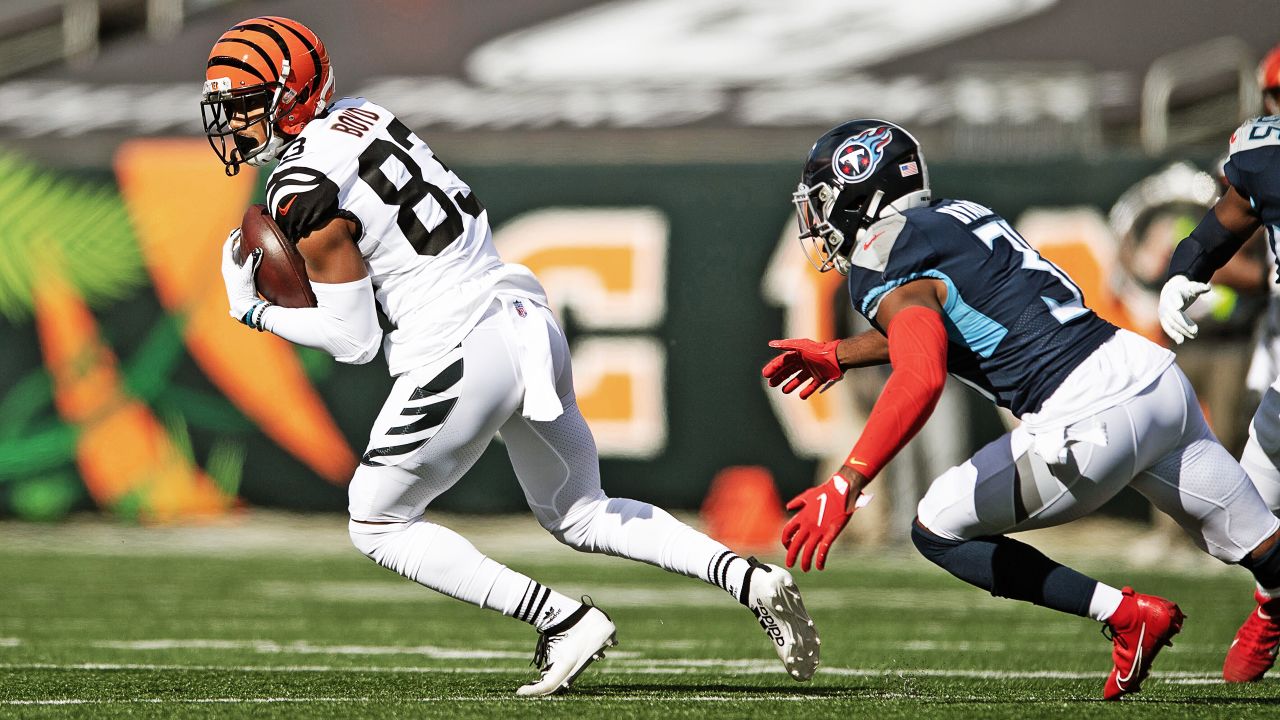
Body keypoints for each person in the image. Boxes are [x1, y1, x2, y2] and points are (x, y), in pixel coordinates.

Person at [205, 16, 819, 696]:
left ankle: (560, 619)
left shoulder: (299, 190)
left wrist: (255, 311)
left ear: (292, 96)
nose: (233, 128)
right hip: (524, 316)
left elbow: (355, 342)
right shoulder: (364, 117)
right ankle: (750, 576)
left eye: (243, 108)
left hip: (456, 343)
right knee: (581, 512)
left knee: (376, 520)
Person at [762, 119, 1280, 700]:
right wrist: (842, 353)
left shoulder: (883, 255)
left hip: (1085, 421)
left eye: (824, 202)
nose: (819, 220)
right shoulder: (959, 215)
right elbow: (940, 329)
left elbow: (922, 371)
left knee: (937, 528)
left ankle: (1126, 614)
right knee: (1270, 555)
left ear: (860, 190)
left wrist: (848, 479)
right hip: (1153, 382)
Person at [1156, 43, 1280, 684]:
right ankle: (1273, 604)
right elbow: (1220, 225)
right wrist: (1184, 270)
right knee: (1250, 509)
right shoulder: (1263, 155)